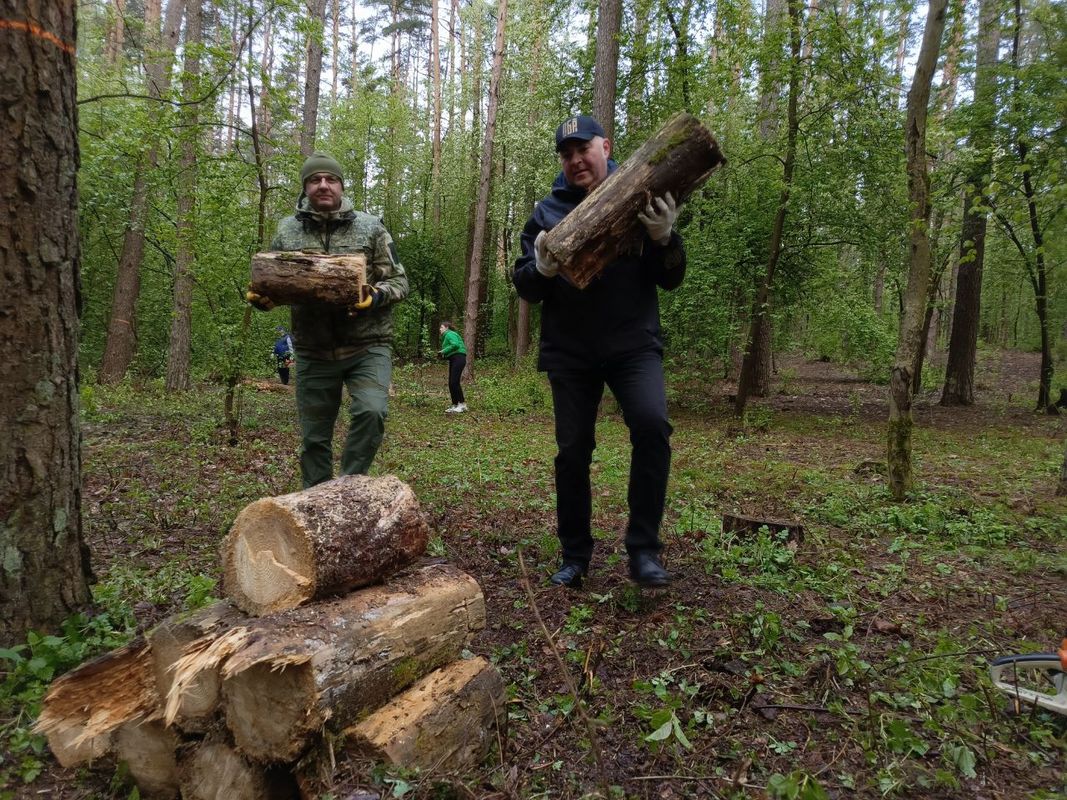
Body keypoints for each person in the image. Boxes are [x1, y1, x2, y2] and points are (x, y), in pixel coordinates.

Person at [512, 114, 685, 588]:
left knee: (652, 428)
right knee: (572, 452)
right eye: (565, 154)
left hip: (634, 345)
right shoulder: (547, 212)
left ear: (605, 147)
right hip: (571, 351)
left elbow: (671, 277)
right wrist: (542, 268)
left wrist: (664, 238)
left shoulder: (640, 195)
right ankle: (575, 556)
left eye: (582, 148)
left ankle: (644, 551)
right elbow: (525, 284)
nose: (574, 160)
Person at [247, 152, 409, 488]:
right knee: (314, 440)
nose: (323, 185)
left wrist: (375, 296)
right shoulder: (287, 231)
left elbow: (399, 281)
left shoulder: (370, 227)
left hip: (367, 344)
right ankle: (316, 503)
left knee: (372, 412)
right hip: (312, 349)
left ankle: (348, 489)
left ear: (341, 185)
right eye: (315, 180)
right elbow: (276, 282)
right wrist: (264, 299)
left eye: (330, 179)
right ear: (305, 187)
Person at [438, 321, 468, 413]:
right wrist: (443, 355)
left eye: (441, 327)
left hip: (458, 358)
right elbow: (451, 349)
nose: (440, 329)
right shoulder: (446, 336)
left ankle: (462, 405)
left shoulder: (449, 334)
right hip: (454, 359)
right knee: (451, 383)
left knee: (454, 382)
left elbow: (455, 345)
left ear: (447, 328)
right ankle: (455, 405)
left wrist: (443, 351)